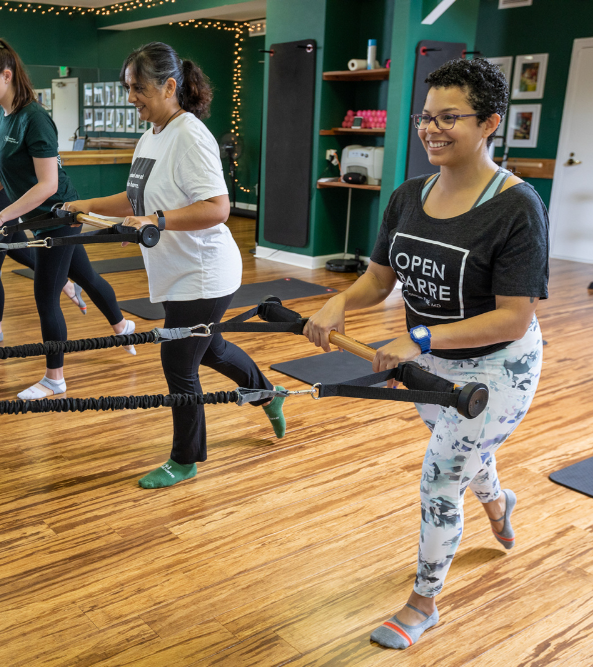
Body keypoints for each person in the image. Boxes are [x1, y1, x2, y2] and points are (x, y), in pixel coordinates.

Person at [303, 57, 548, 650]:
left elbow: (516, 315)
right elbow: (380, 279)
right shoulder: (409, 195)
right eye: (426, 117)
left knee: (442, 476)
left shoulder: (518, 207)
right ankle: (499, 503)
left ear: (489, 123)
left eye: (449, 118)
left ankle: (423, 603)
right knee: (466, 455)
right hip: (431, 364)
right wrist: (341, 302)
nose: (432, 129)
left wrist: (418, 341)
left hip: (496, 368)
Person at [58, 42, 280, 488]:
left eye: (138, 88)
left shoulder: (190, 135)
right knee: (210, 347)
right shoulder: (152, 134)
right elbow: (133, 197)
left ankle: (185, 458)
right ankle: (265, 393)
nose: (131, 97)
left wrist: (158, 220)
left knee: (179, 362)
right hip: (178, 271)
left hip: (203, 272)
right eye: (128, 88)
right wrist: (85, 204)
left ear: (169, 86)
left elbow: (219, 207)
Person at [0, 38, 134, 396]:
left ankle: (54, 379)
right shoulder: (5, 116)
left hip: (58, 215)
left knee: (45, 295)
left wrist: (2, 215)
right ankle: (123, 326)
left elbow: (47, 185)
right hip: (36, 217)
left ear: (6, 75)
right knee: (85, 275)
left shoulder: (34, 118)